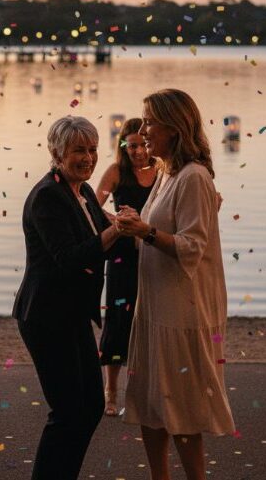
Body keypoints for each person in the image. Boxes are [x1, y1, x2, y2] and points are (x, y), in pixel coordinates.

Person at [117, 88, 235, 480]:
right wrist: (133, 224)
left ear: (174, 126)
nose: (142, 129)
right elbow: (161, 228)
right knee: (151, 403)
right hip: (154, 306)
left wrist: (146, 231)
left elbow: (192, 245)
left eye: (150, 121)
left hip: (181, 310)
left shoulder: (194, 177)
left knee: (180, 406)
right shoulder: (167, 173)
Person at [13, 116, 122, 480]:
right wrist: (114, 234)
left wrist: (136, 226)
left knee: (90, 406)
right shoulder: (48, 196)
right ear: (57, 152)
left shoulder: (83, 190)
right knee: (67, 413)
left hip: (72, 314)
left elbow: (103, 229)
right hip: (45, 316)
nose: (88, 158)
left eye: (92, 150)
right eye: (79, 150)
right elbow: (69, 259)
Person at [94, 117, 157, 417]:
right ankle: (110, 391)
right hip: (121, 257)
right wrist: (117, 220)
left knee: (149, 317)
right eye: (131, 145)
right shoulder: (117, 171)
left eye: (143, 144)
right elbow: (93, 205)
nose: (139, 151)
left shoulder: (162, 171)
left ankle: (144, 389)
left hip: (154, 252)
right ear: (123, 146)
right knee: (119, 318)